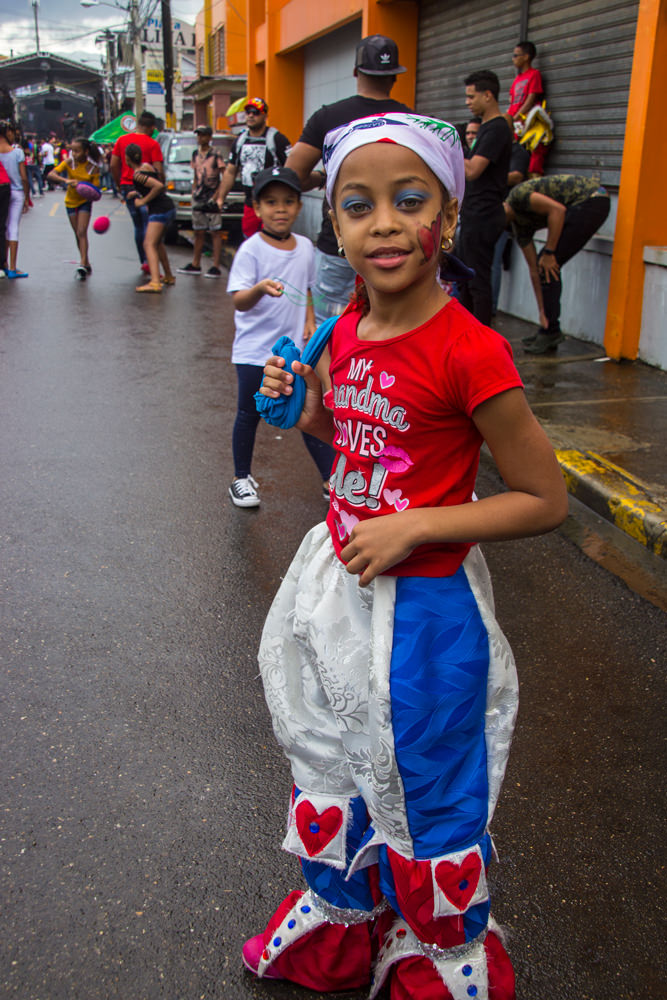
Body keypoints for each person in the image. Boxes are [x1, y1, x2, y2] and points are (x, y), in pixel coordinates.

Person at [246, 113, 568, 999]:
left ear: (448, 217)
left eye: (408, 200)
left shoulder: (472, 349)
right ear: (335, 226)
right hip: (336, 589)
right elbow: (348, 440)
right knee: (332, 753)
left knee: (425, 782)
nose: (384, 223)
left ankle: (438, 952)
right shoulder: (346, 326)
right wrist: (299, 408)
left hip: (423, 610)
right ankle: (347, 921)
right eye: (359, 206)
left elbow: (544, 499)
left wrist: (421, 525)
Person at [226, 165, 335, 507]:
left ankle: (332, 479)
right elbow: (239, 301)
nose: (280, 209)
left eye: (288, 201)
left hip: (293, 353)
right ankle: (240, 478)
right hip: (254, 352)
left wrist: (310, 320)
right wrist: (259, 288)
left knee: (309, 412)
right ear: (257, 208)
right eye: (271, 202)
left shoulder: (305, 247)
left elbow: (307, 288)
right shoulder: (251, 250)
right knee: (249, 414)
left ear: (299, 207)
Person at [286, 35, 412, 323]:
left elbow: (292, 176)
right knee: (389, 324)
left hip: (341, 241)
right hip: (395, 242)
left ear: (356, 72)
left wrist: (324, 177)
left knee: (328, 326)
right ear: (394, 76)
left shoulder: (329, 117)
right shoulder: (410, 121)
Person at [504, 174, 611, 354]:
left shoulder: (518, 196)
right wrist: (541, 311)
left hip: (592, 199)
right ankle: (547, 325)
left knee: (547, 263)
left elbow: (557, 211)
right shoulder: (518, 227)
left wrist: (550, 252)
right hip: (580, 206)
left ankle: (551, 332)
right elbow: (533, 270)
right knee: (541, 266)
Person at [459, 70, 512, 325]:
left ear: (488, 95)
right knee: (467, 280)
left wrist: (448, 147)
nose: (468, 102)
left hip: (484, 215)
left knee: (478, 281)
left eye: (472, 97)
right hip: (473, 214)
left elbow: (472, 170)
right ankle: (467, 332)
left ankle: (481, 339)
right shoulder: (487, 128)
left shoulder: (497, 128)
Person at [215, 99, 290, 240]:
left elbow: (292, 169)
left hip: (272, 204)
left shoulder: (277, 140)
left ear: (264, 116)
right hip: (250, 203)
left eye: (255, 112)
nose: (250, 116)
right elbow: (230, 171)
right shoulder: (240, 141)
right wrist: (221, 198)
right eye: (248, 112)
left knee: (271, 242)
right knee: (249, 241)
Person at [110, 111, 164, 273]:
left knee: (138, 226)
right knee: (150, 225)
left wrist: (119, 184)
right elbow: (159, 170)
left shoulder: (122, 140)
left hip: (127, 186)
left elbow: (113, 165)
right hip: (146, 188)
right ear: (151, 128)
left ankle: (144, 261)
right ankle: (150, 260)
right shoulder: (153, 144)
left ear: (138, 125)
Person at [124, 142, 176, 293]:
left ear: (127, 159)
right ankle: (168, 276)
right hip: (167, 208)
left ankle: (155, 282)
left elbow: (158, 186)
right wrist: (137, 193)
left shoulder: (137, 174)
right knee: (157, 243)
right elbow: (151, 184)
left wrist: (142, 201)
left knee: (148, 244)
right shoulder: (147, 166)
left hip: (159, 210)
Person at [47, 137, 102, 279]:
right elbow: (51, 174)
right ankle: (86, 260)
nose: (74, 154)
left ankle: (82, 264)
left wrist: (85, 188)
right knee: (77, 234)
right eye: (72, 151)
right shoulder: (68, 163)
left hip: (85, 202)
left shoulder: (93, 168)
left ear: (86, 151)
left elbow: (97, 189)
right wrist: (66, 181)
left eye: (77, 151)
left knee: (82, 231)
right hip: (70, 201)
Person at [177, 125, 226, 277]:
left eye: (203, 135)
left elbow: (224, 176)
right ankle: (195, 263)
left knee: (215, 232)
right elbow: (195, 175)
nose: (200, 138)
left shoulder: (216, 154)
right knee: (199, 231)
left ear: (209, 137)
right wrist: (193, 192)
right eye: (199, 135)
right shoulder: (195, 155)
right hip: (199, 196)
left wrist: (218, 195)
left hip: (212, 196)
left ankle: (216, 266)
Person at [508, 41, 547, 176]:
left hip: (527, 121)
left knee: (533, 151)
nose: (513, 59)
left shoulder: (534, 74)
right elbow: (511, 100)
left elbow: (531, 98)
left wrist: (518, 115)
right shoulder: (517, 78)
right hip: (515, 122)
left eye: (516, 55)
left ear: (526, 57)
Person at [0, 120, 30, 278]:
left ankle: (3, 263)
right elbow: (24, 178)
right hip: (16, 192)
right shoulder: (17, 152)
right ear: (7, 133)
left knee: (2, 227)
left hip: (2, 190)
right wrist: (27, 197)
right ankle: (12, 267)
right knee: (13, 228)